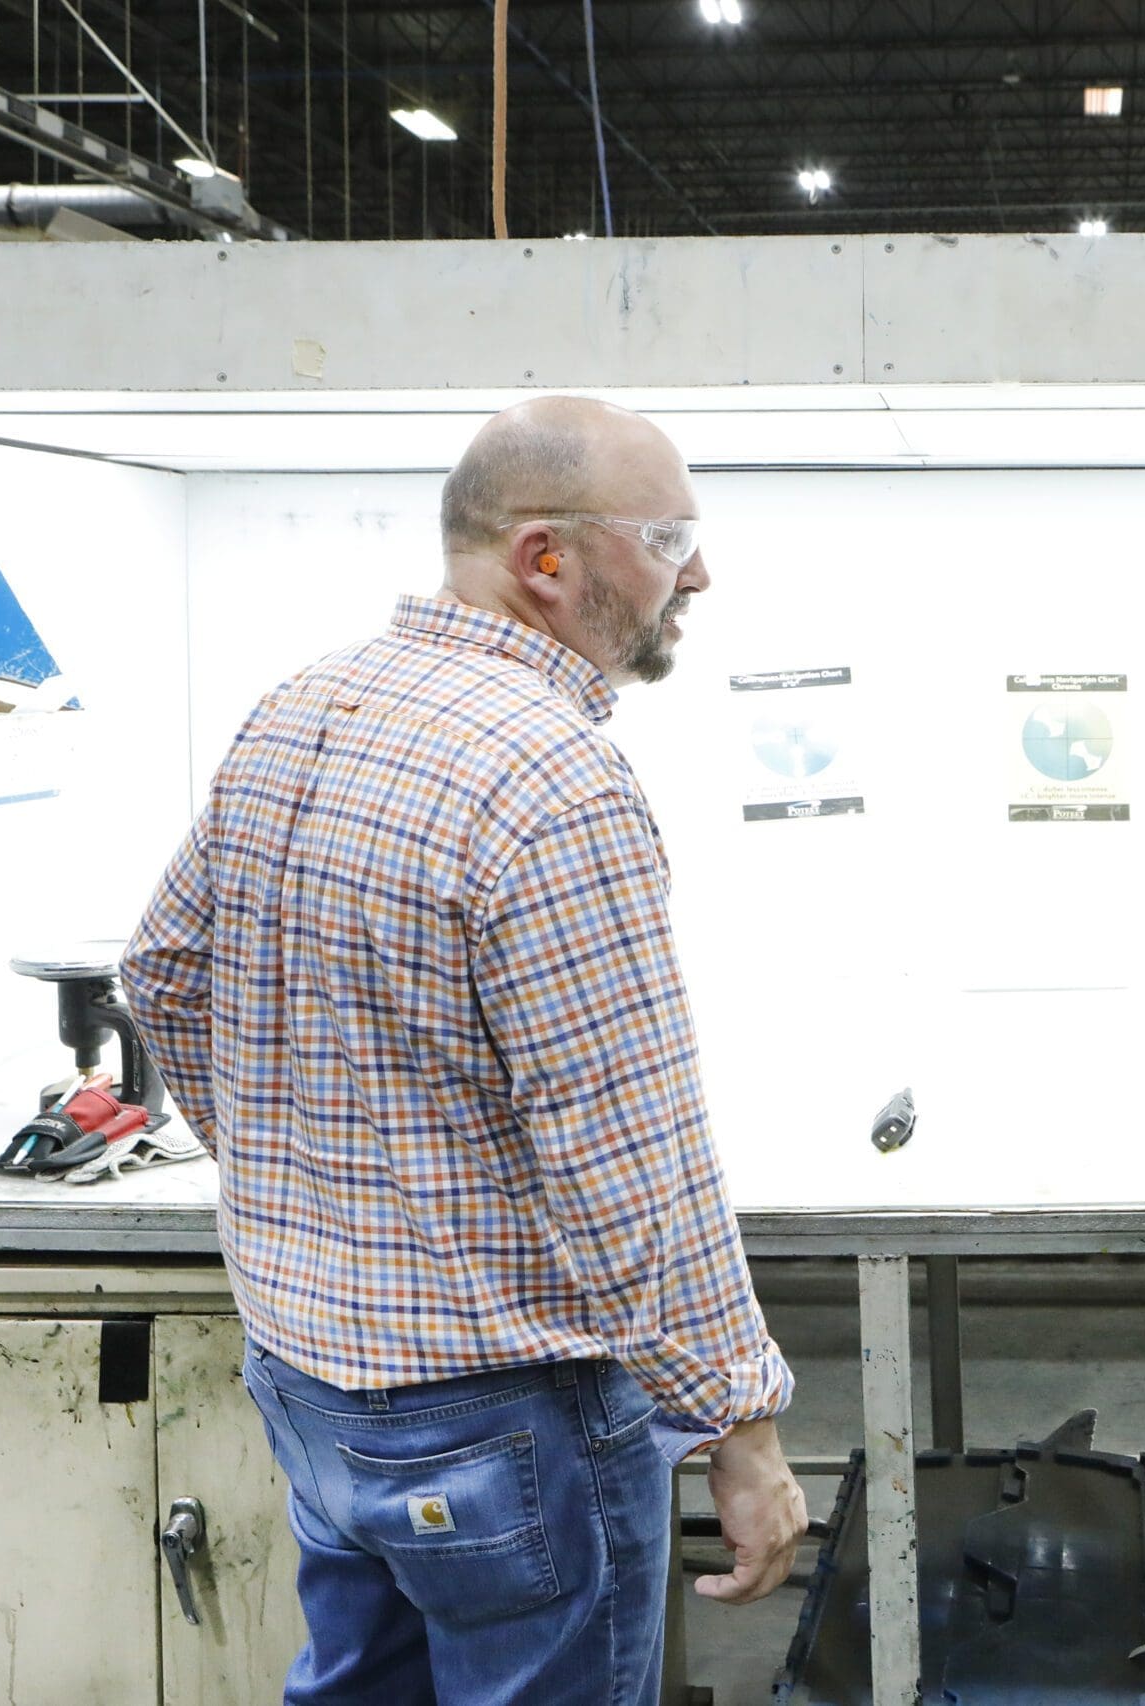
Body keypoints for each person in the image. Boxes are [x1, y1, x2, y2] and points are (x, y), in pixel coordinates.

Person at [124, 396, 805, 1705]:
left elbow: (161, 967)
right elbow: (628, 1157)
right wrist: (738, 1420)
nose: (699, 574)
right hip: (503, 1419)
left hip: (311, 1384)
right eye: (669, 539)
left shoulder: (299, 707)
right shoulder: (552, 776)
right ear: (546, 558)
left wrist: (301, 1178)